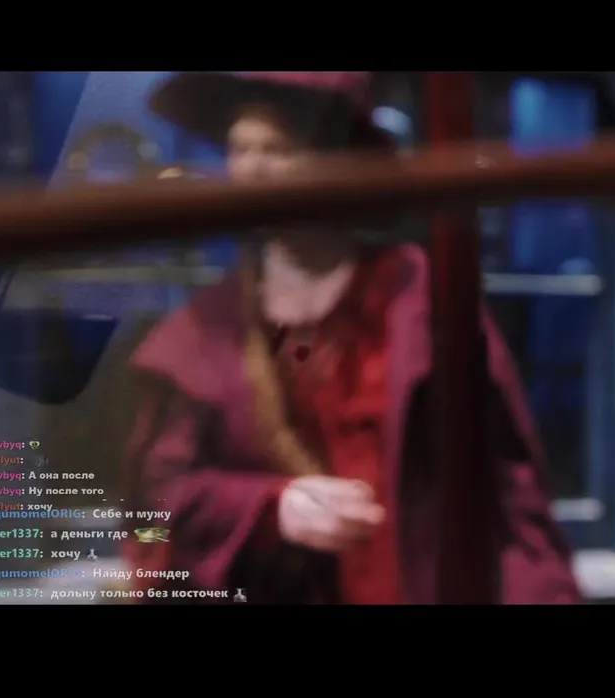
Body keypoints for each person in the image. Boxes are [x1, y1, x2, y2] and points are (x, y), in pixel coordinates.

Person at [122, 72, 582, 604]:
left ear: (336, 164)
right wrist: (268, 508)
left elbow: (508, 490)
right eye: (239, 148)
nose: (252, 170)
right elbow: (153, 510)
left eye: (279, 150)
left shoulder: (418, 302)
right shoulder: (206, 330)